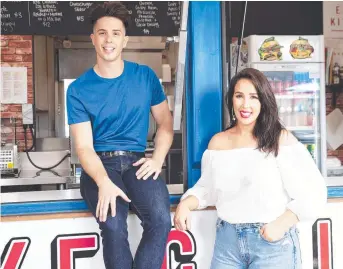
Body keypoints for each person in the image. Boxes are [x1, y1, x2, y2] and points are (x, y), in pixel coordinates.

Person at [173, 68, 327, 269]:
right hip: (227, 245)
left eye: (253, 97)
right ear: (232, 100)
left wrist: (281, 224)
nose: (245, 105)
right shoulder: (218, 143)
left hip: (272, 246)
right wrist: (185, 204)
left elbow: (314, 191)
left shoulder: (280, 139)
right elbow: (207, 190)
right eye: (239, 96)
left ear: (264, 102)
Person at [66, 2, 173, 269]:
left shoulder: (146, 77)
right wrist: (103, 181)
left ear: (124, 39)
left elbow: (165, 125)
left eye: (115, 33)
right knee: (113, 225)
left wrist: (157, 159)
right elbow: (84, 148)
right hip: (99, 166)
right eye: (102, 33)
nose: (108, 39)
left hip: (137, 162)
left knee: (161, 219)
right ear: (93, 39)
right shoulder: (78, 89)